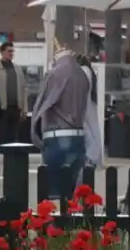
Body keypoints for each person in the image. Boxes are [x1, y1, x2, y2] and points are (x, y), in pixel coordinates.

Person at [31, 47, 93, 203]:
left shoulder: (54, 74)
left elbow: (43, 103)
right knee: (74, 192)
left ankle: (57, 224)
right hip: (78, 136)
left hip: (57, 136)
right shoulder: (83, 75)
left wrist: (35, 134)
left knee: (54, 193)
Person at [0, 41, 26, 163]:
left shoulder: (17, 69)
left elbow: (23, 88)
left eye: (13, 51)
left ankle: (11, 162)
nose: (11, 54)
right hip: (2, 109)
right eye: (9, 51)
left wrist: (24, 108)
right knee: (0, 136)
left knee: (14, 137)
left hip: (15, 108)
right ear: (2, 53)